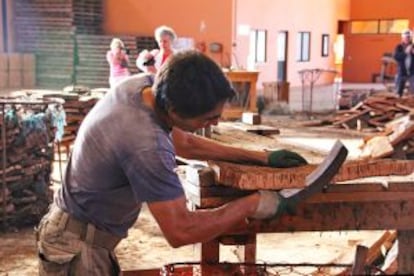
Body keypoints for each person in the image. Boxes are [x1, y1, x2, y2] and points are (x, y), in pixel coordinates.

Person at [36, 50, 320, 275]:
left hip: (79, 233)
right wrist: (253, 204)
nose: (216, 122)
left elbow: (183, 141)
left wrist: (262, 158)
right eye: (208, 119)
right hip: (77, 249)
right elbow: (181, 231)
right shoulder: (145, 145)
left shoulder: (146, 88)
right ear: (174, 110)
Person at [393, 29, 414, 97]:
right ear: (402, 38)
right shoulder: (399, 47)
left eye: (408, 37)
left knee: (413, 90)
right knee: (399, 91)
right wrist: (405, 52)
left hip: (412, 72)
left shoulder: (413, 47)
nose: (407, 39)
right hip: (402, 72)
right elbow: (396, 57)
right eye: (406, 37)